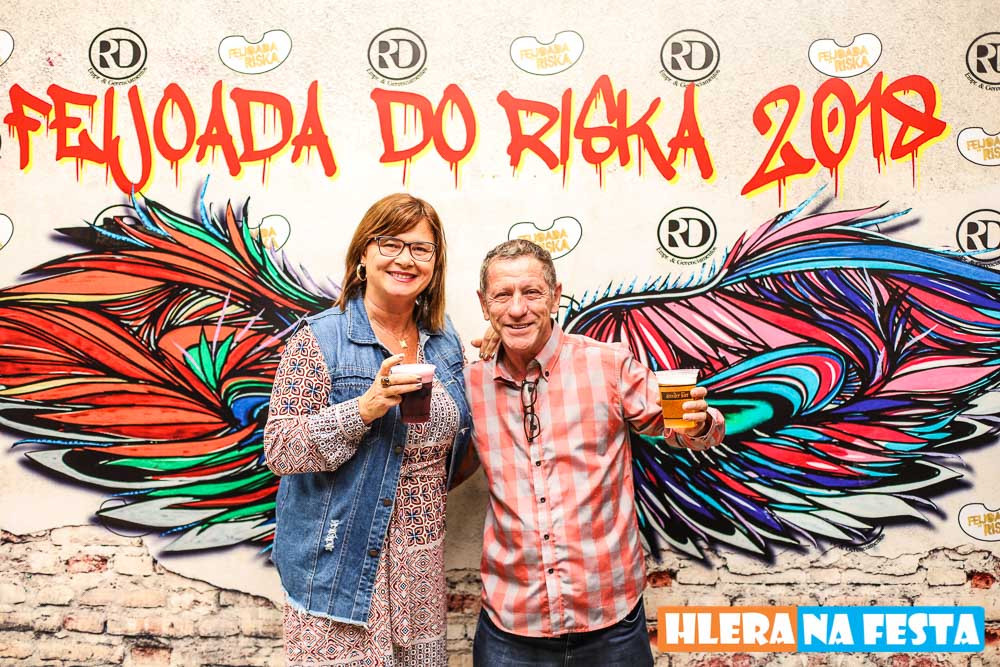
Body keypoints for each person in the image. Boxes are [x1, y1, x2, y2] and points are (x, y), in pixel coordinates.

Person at [464, 239, 726, 667]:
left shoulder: (608, 365)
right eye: (502, 295)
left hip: (610, 620)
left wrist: (698, 422)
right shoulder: (470, 382)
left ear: (555, 296)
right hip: (512, 624)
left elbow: (683, 427)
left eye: (532, 293)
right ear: (483, 303)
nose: (517, 308)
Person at [263, 193, 473, 667]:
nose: (405, 259)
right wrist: (364, 408)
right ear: (363, 254)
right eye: (390, 243)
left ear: (435, 263)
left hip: (419, 572)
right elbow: (279, 449)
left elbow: (463, 435)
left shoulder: (444, 341)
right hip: (341, 567)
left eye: (421, 248)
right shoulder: (320, 339)